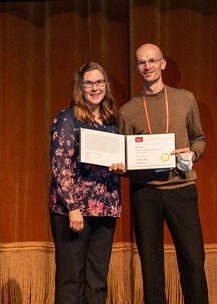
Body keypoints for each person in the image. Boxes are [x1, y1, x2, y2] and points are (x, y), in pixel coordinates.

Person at [117, 43, 209, 304]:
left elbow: (199, 139)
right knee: (151, 267)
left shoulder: (185, 98)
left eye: (152, 61)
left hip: (181, 190)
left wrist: (191, 155)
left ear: (162, 64)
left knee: (193, 261)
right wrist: (121, 167)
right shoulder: (127, 111)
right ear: (137, 68)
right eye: (142, 62)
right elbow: (124, 159)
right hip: (145, 194)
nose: (147, 66)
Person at [49, 62, 124, 304]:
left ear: (106, 86)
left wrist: (122, 165)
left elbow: (120, 157)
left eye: (99, 82)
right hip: (74, 210)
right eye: (88, 83)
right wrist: (72, 207)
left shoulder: (113, 120)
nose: (95, 88)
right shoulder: (68, 118)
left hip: (105, 209)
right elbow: (60, 166)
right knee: (71, 281)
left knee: (97, 281)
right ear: (80, 88)